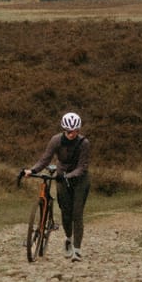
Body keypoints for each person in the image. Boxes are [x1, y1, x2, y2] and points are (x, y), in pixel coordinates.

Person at [20, 110, 90, 260]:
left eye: (75, 131)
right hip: (61, 177)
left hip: (80, 180)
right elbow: (45, 159)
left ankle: (77, 250)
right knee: (66, 213)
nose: (72, 134)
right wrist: (32, 170)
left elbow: (82, 167)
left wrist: (68, 176)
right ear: (64, 130)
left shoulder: (84, 143)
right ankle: (68, 239)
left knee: (77, 214)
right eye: (69, 131)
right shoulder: (56, 140)